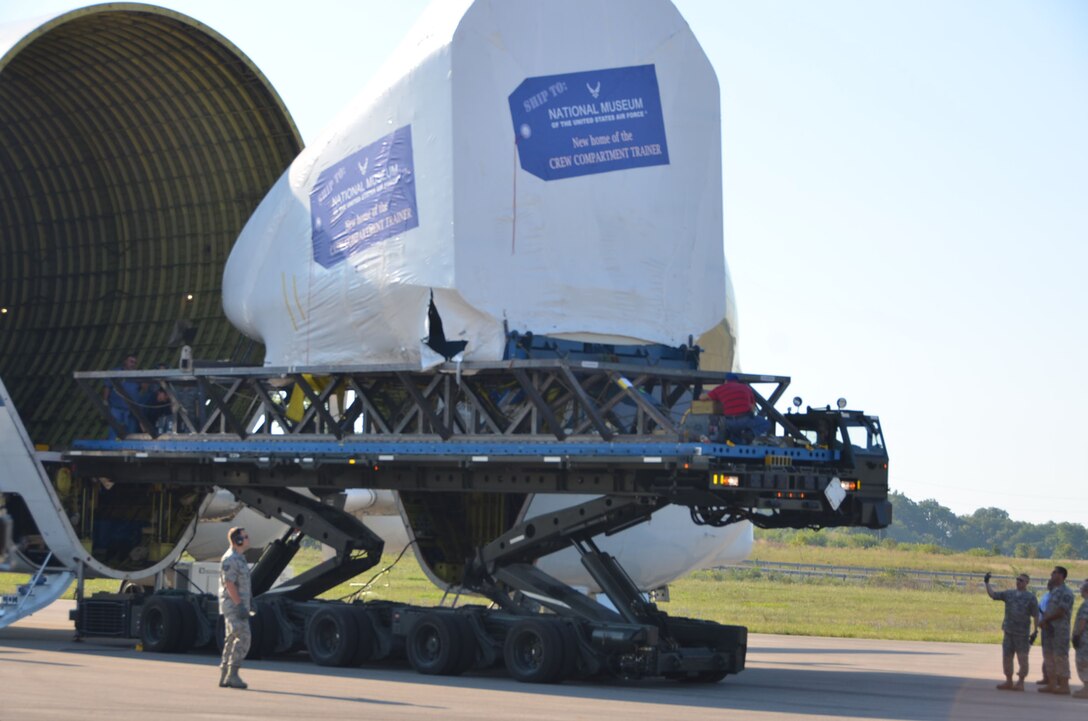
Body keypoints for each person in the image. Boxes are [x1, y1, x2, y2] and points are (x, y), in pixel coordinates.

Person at [985, 571, 1039, 690]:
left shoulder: (1031, 597)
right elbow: (993, 595)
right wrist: (987, 582)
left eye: (1021, 580)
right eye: (1017, 579)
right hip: (1009, 632)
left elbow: (1036, 615)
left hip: (1022, 634)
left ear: (1027, 583)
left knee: (1022, 658)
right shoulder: (1009, 594)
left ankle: (1020, 682)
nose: (1018, 582)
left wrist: (1035, 631)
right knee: (1007, 657)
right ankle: (1008, 681)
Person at [219, 527, 253, 689]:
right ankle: (232, 674)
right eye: (245, 537)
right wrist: (239, 604)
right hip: (233, 606)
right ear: (237, 540)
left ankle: (225, 675)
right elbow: (229, 583)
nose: (247, 539)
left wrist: (250, 602)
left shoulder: (239, 558)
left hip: (238, 604)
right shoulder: (231, 559)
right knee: (244, 637)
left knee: (231, 638)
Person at [1038, 565, 1074, 695]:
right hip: (1048, 630)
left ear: (1061, 575)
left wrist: (1045, 620)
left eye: (1054, 573)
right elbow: (1048, 608)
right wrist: (1043, 620)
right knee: (1048, 656)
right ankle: (1052, 684)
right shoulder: (1053, 591)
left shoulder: (1066, 592)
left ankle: (1064, 685)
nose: (1051, 574)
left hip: (1060, 630)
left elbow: (1061, 611)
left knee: (1060, 657)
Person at [707, 373, 770, 443]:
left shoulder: (720, 389)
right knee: (765, 423)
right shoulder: (746, 388)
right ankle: (749, 434)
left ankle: (729, 438)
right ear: (737, 381)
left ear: (726, 381)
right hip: (744, 421)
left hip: (729, 422)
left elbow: (702, 397)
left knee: (730, 430)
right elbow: (752, 407)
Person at [103, 353, 143, 438]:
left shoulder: (137, 374)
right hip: (116, 407)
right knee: (114, 429)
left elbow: (143, 388)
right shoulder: (115, 372)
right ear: (125, 361)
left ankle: (129, 449)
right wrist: (105, 401)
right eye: (131, 361)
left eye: (135, 363)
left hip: (132, 410)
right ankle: (112, 447)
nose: (133, 364)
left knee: (131, 432)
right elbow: (107, 387)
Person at [1036, 578, 1055, 687]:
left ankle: (1054, 678)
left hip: (1053, 628)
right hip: (1044, 628)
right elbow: (1040, 610)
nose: (1049, 586)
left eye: (1051, 584)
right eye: (1049, 584)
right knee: (1046, 653)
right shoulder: (1045, 596)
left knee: (1053, 654)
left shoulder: (1056, 597)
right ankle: (1046, 677)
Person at [1073, 579, 1088, 699]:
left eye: (1082, 589)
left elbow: (1083, 621)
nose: (1080, 592)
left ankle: (1086, 689)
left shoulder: (1086, 604)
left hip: (1085, 640)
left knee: (1083, 663)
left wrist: (1077, 635)